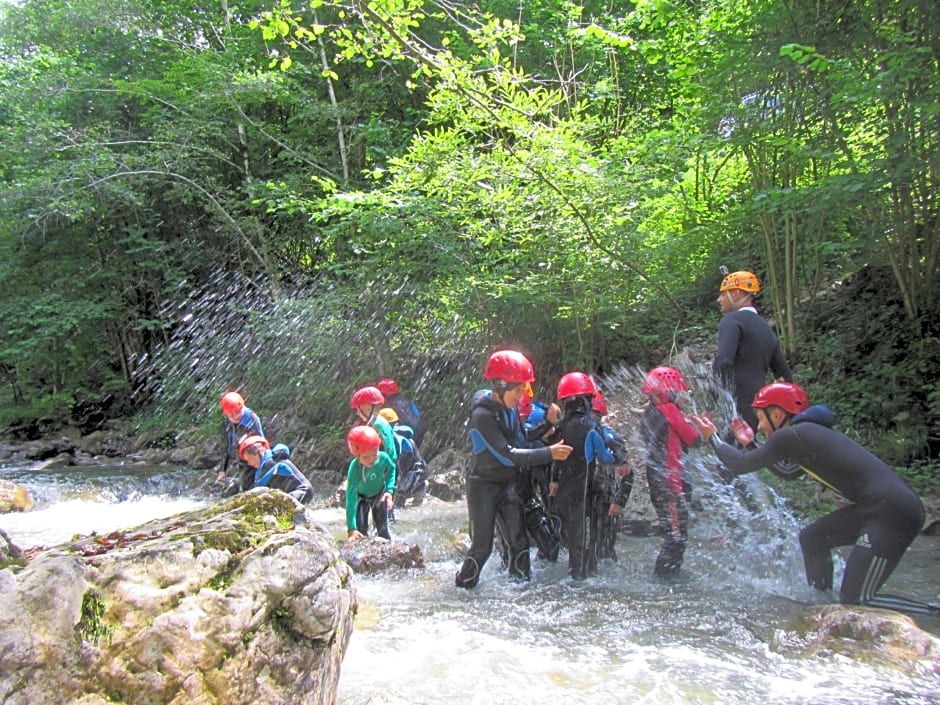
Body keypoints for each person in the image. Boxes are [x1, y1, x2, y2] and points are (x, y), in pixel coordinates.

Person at [691, 382, 938, 616]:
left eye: (761, 419)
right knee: (813, 539)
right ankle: (823, 605)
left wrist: (712, 437)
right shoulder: (803, 435)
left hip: (893, 513)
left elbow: (740, 465)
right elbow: (788, 472)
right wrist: (750, 443)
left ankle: (934, 615)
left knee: (857, 600)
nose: (761, 428)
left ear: (777, 415)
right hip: (875, 508)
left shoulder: (794, 435)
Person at [455, 350, 572, 589]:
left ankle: (521, 593)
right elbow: (508, 454)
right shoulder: (482, 415)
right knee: (482, 548)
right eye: (518, 389)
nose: (522, 395)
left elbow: (523, 438)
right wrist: (549, 453)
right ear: (500, 385)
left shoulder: (508, 409)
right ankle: (463, 591)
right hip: (483, 486)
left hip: (506, 484)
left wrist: (548, 424)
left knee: (519, 543)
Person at [548, 371, 616, 580]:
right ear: (585, 399)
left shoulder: (559, 426)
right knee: (585, 544)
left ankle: (575, 576)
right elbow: (605, 457)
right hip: (583, 494)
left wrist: (554, 481)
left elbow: (554, 460)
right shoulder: (590, 425)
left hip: (562, 495)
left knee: (572, 542)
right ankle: (581, 586)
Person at [713, 270, 793, 433]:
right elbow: (785, 376)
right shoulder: (766, 328)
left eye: (722, 294)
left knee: (733, 452)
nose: (719, 299)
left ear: (735, 294)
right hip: (758, 407)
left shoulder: (731, 320)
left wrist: (711, 402)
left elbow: (723, 361)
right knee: (748, 449)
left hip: (736, 404)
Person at [640, 366, 702, 577]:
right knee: (676, 537)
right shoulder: (669, 411)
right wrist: (700, 425)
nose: (681, 396)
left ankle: (667, 578)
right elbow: (696, 439)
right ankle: (664, 582)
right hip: (671, 484)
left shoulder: (650, 413)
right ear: (668, 392)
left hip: (659, 480)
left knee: (674, 535)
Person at [590, 392, 633, 561]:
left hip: (607, 499)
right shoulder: (578, 435)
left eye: (594, 415)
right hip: (589, 497)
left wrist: (619, 501)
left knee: (605, 547)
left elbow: (629, 473)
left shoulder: (610, 438)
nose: (591, 418)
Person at [345, 425, 397, 541]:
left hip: (379, 494)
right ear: (356, 455)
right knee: (361, 531)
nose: (372, 460)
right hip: (361, 498)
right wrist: (351, 528)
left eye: (374, 454)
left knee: (383, 530)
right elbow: (351, 499)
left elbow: (392, 469)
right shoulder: (355, 469)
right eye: (366, 457)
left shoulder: (383, 458)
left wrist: (389, 490)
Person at [237, 435, 313, 505]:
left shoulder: (270, 462)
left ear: (258, 453)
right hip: (301, 493)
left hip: (302, 491)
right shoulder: (270, 461)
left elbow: (258, 487)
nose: (249, 463)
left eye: (249, 459)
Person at [379, 407, 429, 508]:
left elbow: (394, 462)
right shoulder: (392, 436)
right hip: (412, 471)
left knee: (399, 496)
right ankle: (418, 487)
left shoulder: (397, 438)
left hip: (416, 471)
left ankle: (420, 486)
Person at [218, 391, 264, 485]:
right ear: (226, 415)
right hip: (242, 459)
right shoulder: (228, 423)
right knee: (244, 486)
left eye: (238, 412)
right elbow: (227, 446)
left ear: (242, 406)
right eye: (231, 415)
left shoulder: (252, 419)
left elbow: (260, 445)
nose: (236, 417)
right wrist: (222, 469)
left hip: (256, 458)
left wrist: (262, 466)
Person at [376, 378, 425, 447]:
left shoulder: (387, 409)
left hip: (402, 442)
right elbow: (418, 418)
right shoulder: (409, 403)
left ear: (384, 395)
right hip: (418, 439)